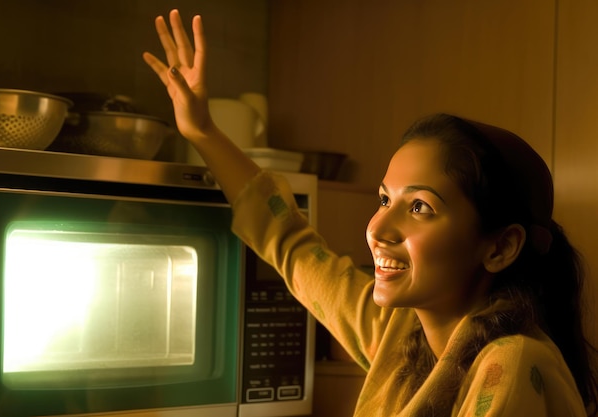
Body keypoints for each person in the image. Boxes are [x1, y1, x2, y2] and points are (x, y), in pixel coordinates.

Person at [143, 9, 598, 417]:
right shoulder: (401, 337)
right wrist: (201, 132)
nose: (379, 229)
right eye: (384, 200)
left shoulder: (512, 363)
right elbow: (293, 247)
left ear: (500, 246)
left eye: (419, 207)